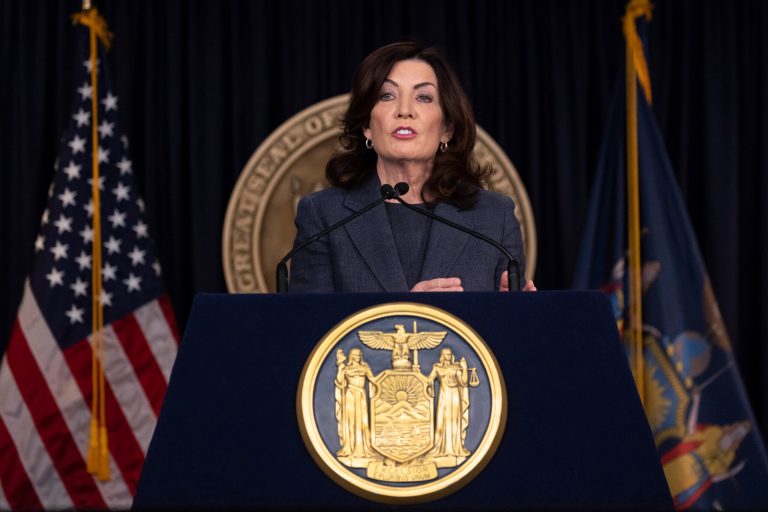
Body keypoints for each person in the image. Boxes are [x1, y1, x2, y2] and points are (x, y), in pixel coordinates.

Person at [289, 41, 536, 293]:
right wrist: (410, 314)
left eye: (423, 97)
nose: (404, 110)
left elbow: (506, 331)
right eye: (387, 96)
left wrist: (512, 318)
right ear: (366, 125)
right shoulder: (324, 216)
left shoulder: (494, 217)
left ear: (447, 129)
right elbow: (311, 329)